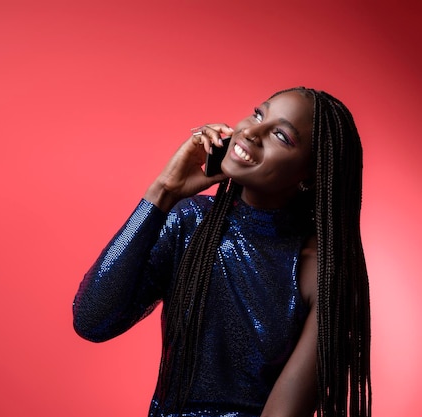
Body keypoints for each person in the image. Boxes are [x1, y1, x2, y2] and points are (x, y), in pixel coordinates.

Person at [73, 87, 371, 417]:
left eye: (280, 136)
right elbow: (91, 321)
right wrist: (162, 192)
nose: (251, 132)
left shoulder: (319, 272)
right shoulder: (190, 222)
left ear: (309, 178)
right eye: (259, 114)